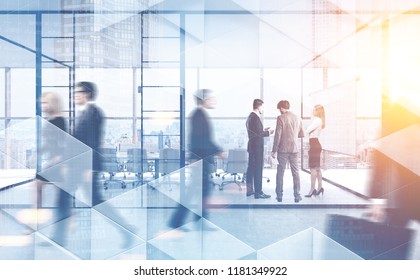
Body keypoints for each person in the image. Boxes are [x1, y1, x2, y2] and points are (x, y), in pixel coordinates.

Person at [169, 89, 224, 229]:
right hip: (201, 160)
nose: (213, 101)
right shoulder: (198, 115)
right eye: (211, 98)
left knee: (199, 191)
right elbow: (200, 139)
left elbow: (201, 139)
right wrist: (218, 151)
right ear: (204, 100)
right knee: (198, 192)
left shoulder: (199, 115)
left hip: (201, 159)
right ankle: (183, 222)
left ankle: (189, 221)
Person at [35, 92, 67, 208]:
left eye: (45, 103)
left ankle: (38, 214)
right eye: (42, 103)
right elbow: (49, 142)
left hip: (58, 161)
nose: (43, 106)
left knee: (40, 184)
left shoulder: (59, 120)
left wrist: (60, 158)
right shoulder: (51, 120)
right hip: (54, 160)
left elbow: (64, 141)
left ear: (53, 103)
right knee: (41, 185)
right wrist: (38, 153)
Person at [271, 100, 304, 203]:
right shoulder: (298, 117)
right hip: (294, 149)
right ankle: (297, 196)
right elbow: (301, 134)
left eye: (279, 109)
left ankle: (279, 196)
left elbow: (278, 136)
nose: (279, 111)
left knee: (280, 172)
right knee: (296, 173)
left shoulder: (281, 118)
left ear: (281, 108)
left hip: (283, 150)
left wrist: (274, 150)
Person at [245, 99, 273, 199]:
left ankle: (249, 191)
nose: (263, 110)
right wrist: (269, 132)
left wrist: (263, 130)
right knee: (258, 169)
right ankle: (258, 192)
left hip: (252, 147)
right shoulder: (255, 118)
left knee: (251, 168)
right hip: (257, 148)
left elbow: (255, 132)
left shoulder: (250, 117)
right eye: (262, 107)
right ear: (259, 106)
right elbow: (258, 135)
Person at [304, 104, 325, 198]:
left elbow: (307, 130)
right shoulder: (320, 120)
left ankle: (312, 189)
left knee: (313, 168)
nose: (313, 111)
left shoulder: (317, 120)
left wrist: (305, 129)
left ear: (318, 111)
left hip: (314, 144)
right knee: (317, 168)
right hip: (316, 144)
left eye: (314, 110)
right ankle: (320, 188)